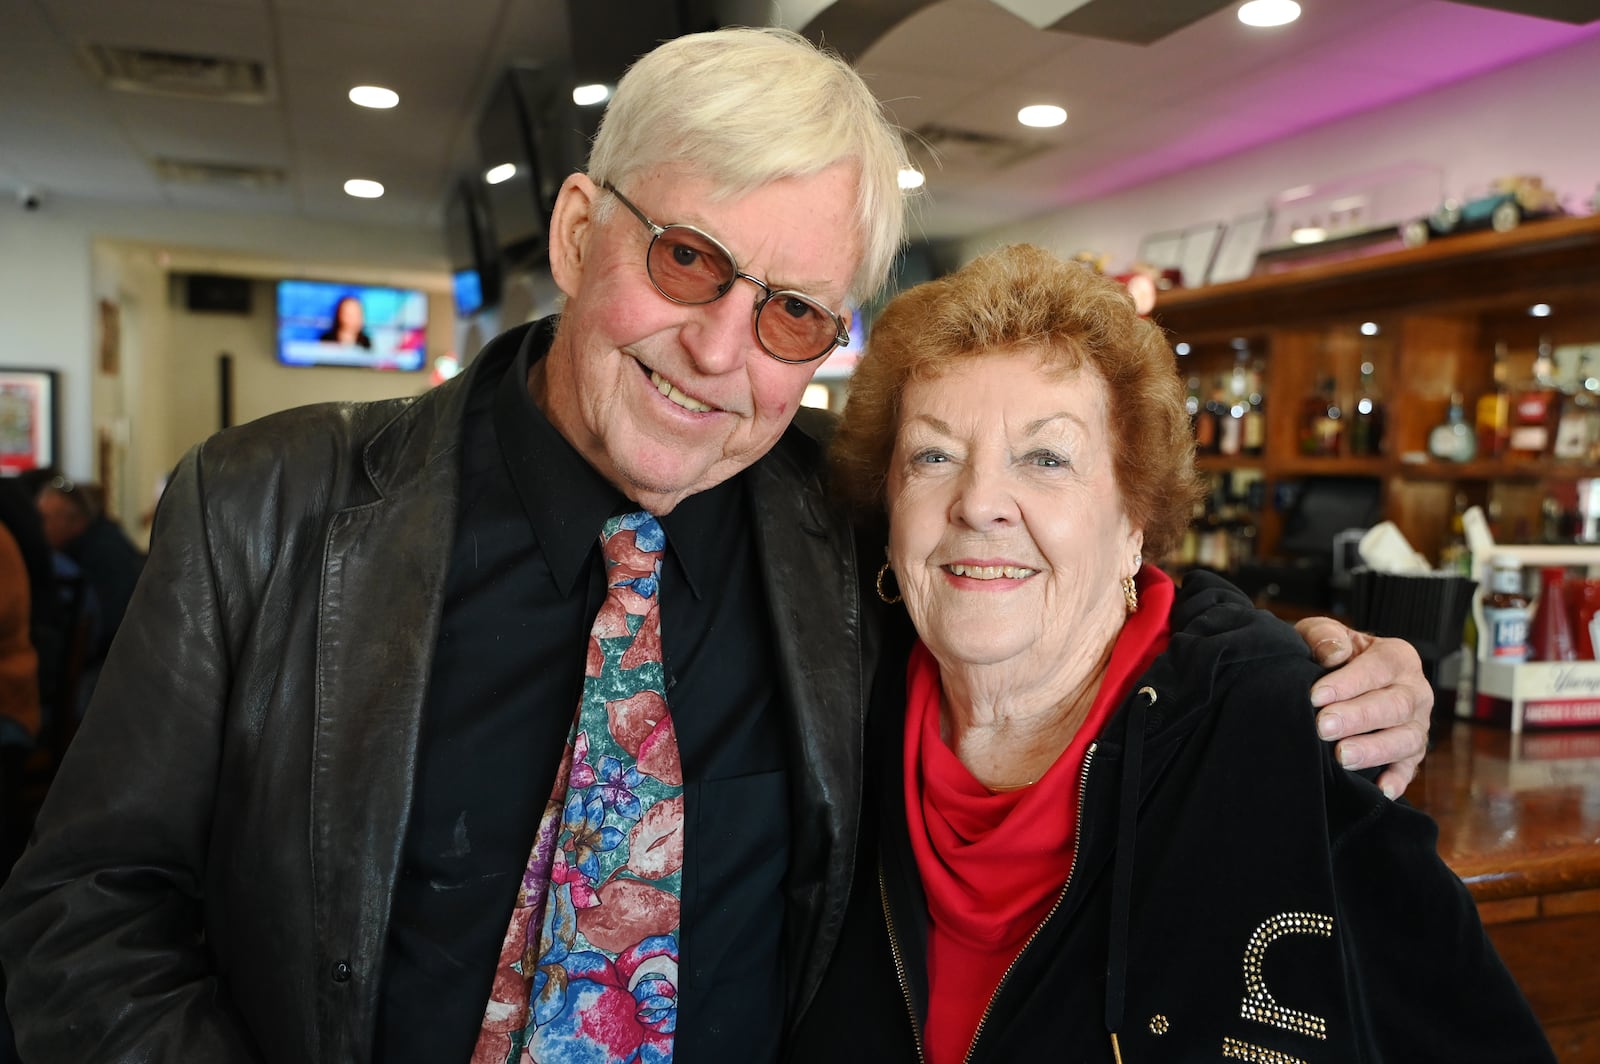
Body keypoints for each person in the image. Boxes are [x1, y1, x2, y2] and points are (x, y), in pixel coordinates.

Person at [0, 28, 1431, 1064]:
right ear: (576, 231)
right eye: (688, 259)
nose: (719, 350)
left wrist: (1316, 666)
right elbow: (87, 902)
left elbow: (1058, 562)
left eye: (794, 312)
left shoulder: (844, 519)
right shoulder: (268, 507)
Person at [792, 245, 1551, 1062]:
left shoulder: (1279, 728)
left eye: (1046, 459)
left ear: (1133, 526)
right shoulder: (835, 715)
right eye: (934, 456)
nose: (978, 503)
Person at [33, 475, 142, 681]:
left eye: (44, 519)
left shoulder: (101, 556)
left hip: (111, 673)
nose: (38, 529)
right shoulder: (97, 542)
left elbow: (106, 630)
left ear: (76, 522)